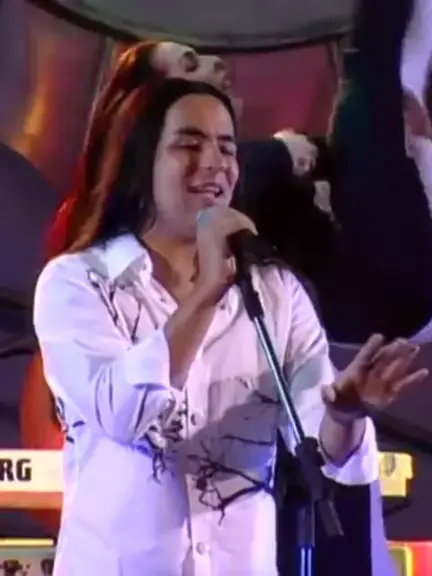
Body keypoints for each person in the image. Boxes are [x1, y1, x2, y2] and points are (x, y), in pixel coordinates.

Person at [33, 77, 427, 575]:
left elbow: (326, 453)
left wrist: (346, 415)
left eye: (226, 147)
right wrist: (206, 292)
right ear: (140, 162)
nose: (215, 162)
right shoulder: (78, 283)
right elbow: (122, 414)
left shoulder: (276, 293)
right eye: (189, 144)